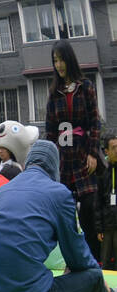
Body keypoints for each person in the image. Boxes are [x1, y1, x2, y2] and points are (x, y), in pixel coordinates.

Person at [0, 140, 116, 292]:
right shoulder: (59, 193)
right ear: (55, 165)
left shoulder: (1, 192)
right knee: (93, 276)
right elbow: (77, 256)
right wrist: (95, 278)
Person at [45, 41, 103, 262]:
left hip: (83, 155)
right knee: (65, 212)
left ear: (70, 59)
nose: (59, 64)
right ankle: (73, 261)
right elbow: (50, 131)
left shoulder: (86, 86)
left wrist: (93, 153)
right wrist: (50, 161)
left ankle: (95, 262)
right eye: (55, 61)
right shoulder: (54, 94)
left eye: (61, 59)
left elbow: (95, 122)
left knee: (88, 209)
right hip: (63, 160)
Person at [98, 133, 117, 270]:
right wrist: (99, 228)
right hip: (107, 226)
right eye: (114, 147)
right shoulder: (103, 174)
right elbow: (97, 203)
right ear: (106, 151)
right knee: (105, 264)